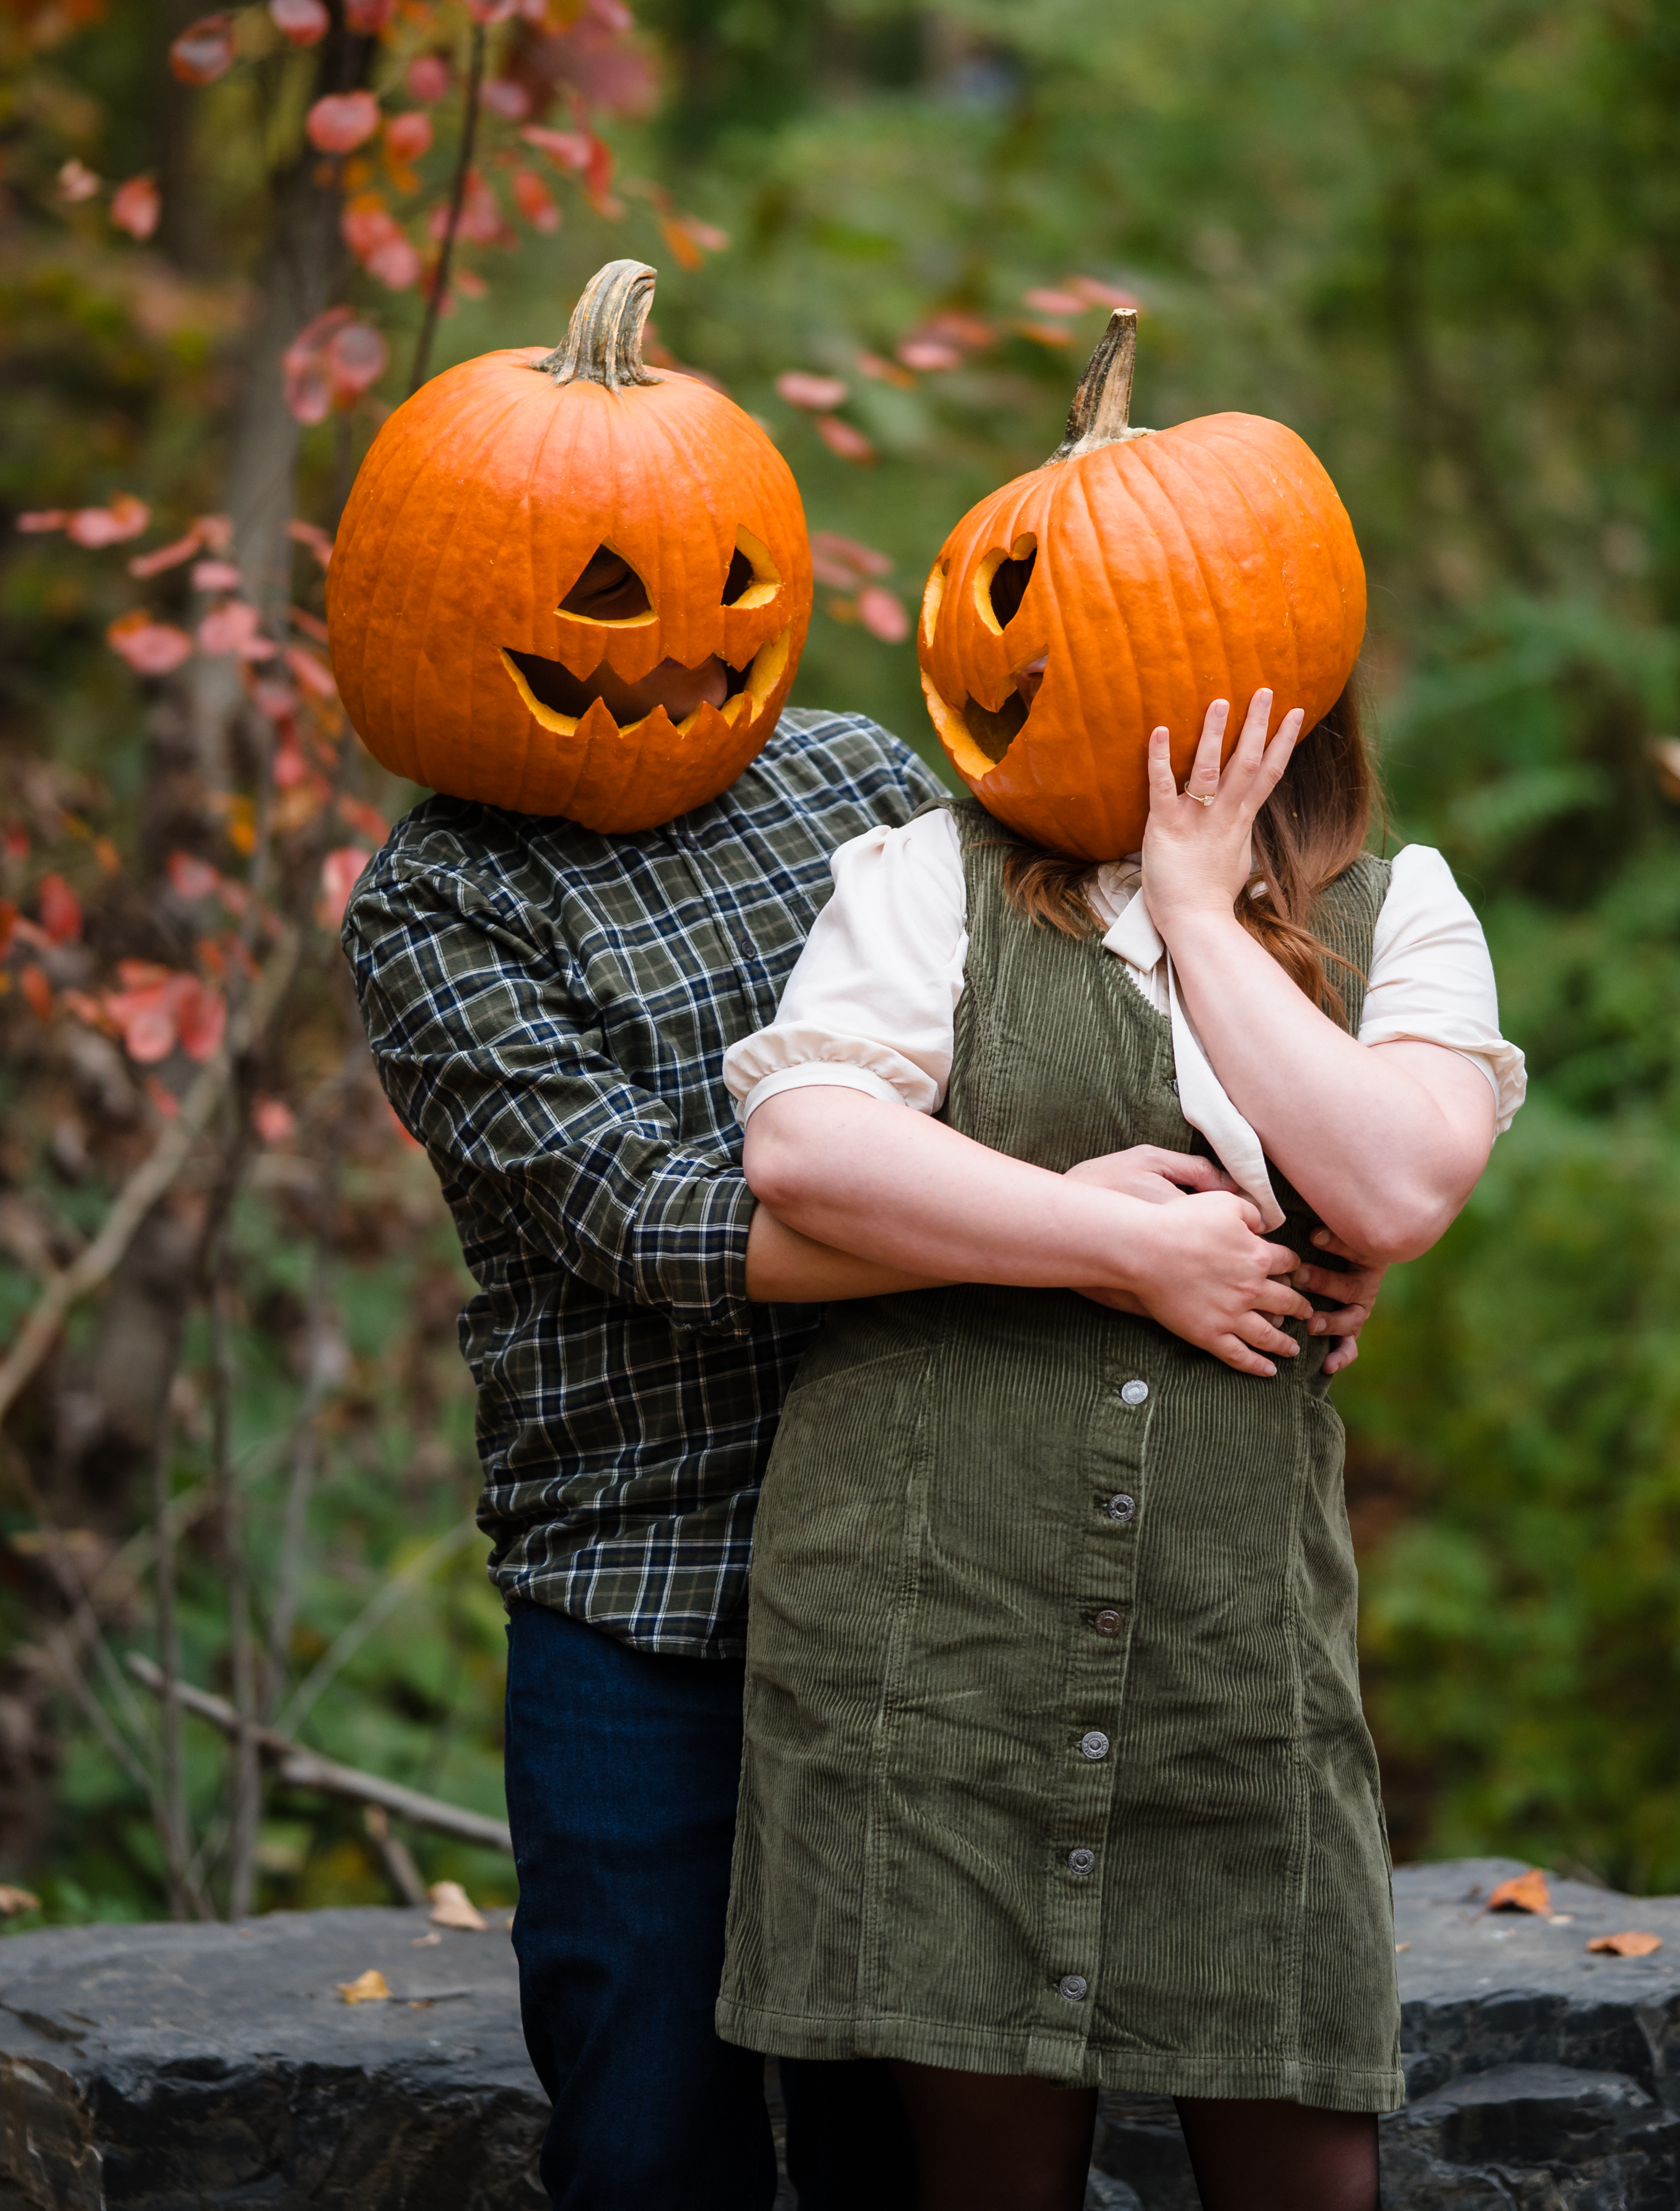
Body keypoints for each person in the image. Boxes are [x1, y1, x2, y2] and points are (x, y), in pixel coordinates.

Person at [341, 646, 1391, 2211]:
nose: (647, 650)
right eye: (589, 605)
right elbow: (649, 1216)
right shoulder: (435, 903)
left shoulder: (856, 779)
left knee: (901, 2139)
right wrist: (1090, 1240)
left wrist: (1295, 1238)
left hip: (963, 1556)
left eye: (687, 590)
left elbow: (1061, 1048)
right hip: (650, 1571)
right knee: (648, 2127)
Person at [715, 684, 1526, 2211]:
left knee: (1307, 2170)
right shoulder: (920, 877)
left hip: (1234, 1648)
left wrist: (1199, 915)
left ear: (1292, 678)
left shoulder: (1403, 908)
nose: (1117, 680)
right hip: (940, 1627)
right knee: (981, 2183)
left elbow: (1401, 1188)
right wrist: (1115, 1245)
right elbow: (808, 1144)